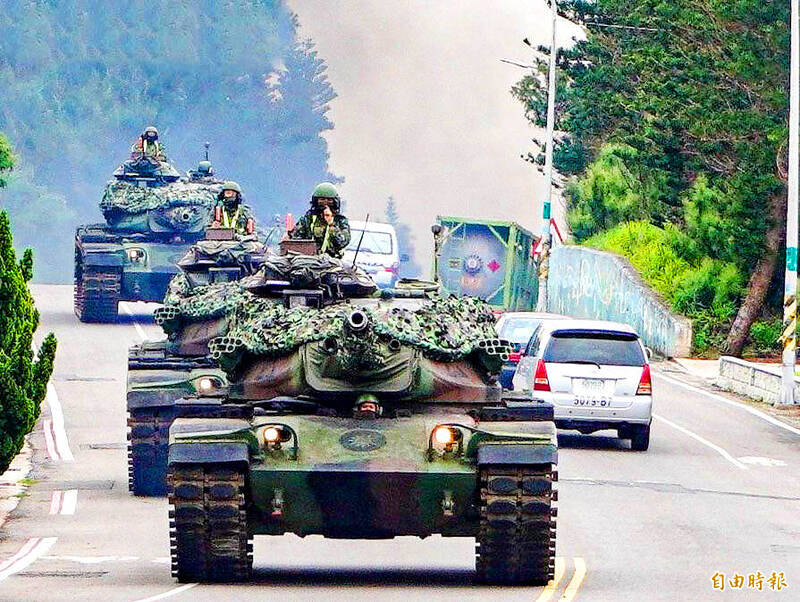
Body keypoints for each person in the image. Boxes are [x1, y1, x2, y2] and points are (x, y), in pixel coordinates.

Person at [291, 182, 351, 258]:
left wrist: (331, 224)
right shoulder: (307, 219)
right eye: (322, 199)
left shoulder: (340, 221)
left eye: (329, 200)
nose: (325, 203)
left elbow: (343, 241)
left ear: (335, 201)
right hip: (308, 260)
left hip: (332, 262)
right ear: (316, 201)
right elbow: (296, 240)